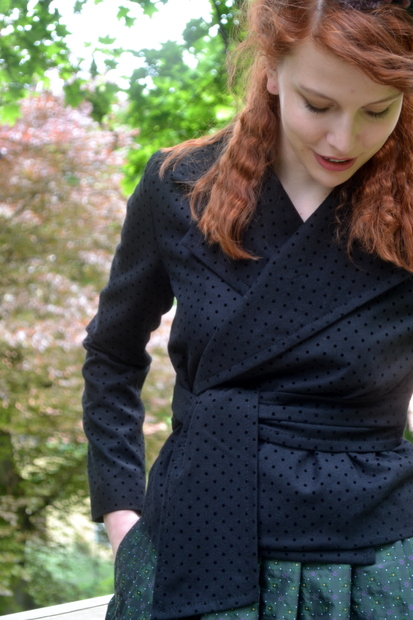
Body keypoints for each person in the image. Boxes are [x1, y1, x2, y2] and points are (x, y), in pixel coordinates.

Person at [82, 0, 413, 617]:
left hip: (371, 564)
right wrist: (122, 512)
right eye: (318, 105)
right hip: (190, 540)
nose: (344, 139)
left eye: (378, 110)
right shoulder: (179, 186)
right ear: (272, 71)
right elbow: (111, 354)